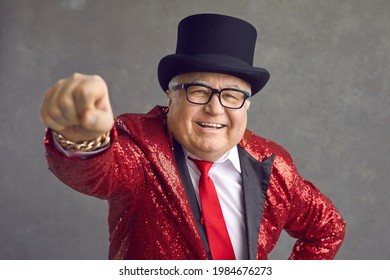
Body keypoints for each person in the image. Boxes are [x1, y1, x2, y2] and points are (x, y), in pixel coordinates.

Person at [40, 13, 346, 260]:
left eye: (231, 95)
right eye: (198, 91)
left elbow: (328, 228)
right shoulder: (140, 147)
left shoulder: (273, 164)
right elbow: (96, 172)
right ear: (170, 97)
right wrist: (80, 139)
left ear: (246, 104)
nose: (215, 109)